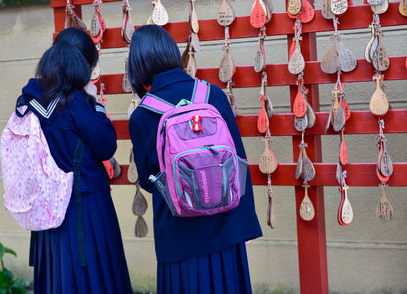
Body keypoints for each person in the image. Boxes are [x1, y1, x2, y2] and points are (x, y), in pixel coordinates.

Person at [128, 25, 263, 294]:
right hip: (226, 227)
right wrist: (245, 222)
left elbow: (148, 181)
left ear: (137, 64)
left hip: (180, 236)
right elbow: (238, 159)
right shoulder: (212, 95)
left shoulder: (142, 115)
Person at [18, 28, 132, 293]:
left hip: (48, 208)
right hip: (85, 206)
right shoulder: (77, 104)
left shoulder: (30, 98)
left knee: (58, 279)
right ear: (84, 67)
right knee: (94, 277)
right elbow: (106, 145)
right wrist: (95, 102)